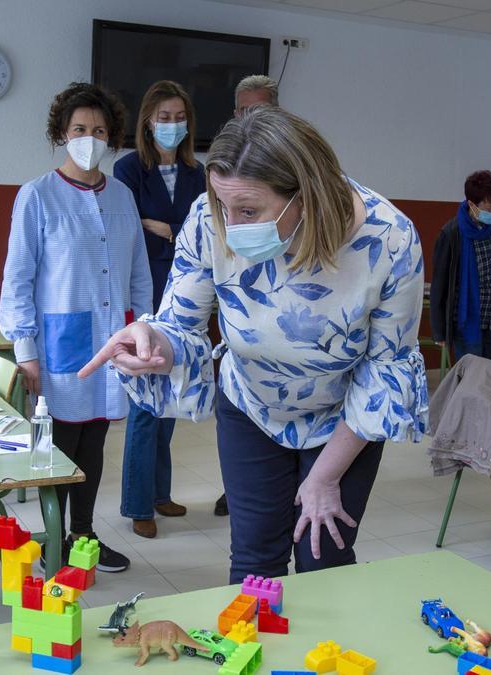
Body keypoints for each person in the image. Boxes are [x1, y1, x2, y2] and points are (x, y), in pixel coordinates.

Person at [79, 106, 428, 583]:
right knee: (254, 562)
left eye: (249, 210)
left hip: (342, 418)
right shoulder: (208, 217)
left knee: (322, 559)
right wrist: (153, 339)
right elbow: (181, 324)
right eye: (224, 204)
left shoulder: (389, 239)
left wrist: (324, 478)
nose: (231, 223)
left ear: (304, 195)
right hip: (250, 406)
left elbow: (384, 372)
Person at [0, 81, 151, 573]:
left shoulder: (123, 196)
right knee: (61, 448)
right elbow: (18, 276)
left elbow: (139, 273)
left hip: (115, 340)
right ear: (62, 133)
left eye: (99, 130)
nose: (90, 137)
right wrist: (25, 350)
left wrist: (143, 328)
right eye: (80, 128)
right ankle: (53, 543)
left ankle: (83, 536)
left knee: (95, 441)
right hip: (59, 345)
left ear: (111, 139)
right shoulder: (37, 196)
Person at [113, 80, 206, 538]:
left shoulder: (198, 172)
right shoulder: (128, 169)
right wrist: (174, 230)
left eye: (178, 117)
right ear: (148, 122)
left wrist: (164, 227)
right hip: (146, 297)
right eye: (163, 117)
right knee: (145, 406)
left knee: (170, 398)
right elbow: (129, 229)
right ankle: (137, 504)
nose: (171, 125)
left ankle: (160, 493)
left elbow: (202, 230)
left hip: (186, 300)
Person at [213, 72, 283, 519]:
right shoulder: (214, 203)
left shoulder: (375, 224)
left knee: (324, 554)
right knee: (254, 541)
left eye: (250, 210)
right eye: (243, 112)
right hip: (246, 389)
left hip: (328, 407)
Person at [430, 170, 491, 363]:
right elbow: (440, 284)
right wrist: (439, 331)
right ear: (472, 204)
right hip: (466, 318)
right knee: (471, 376)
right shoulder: (451, 233)